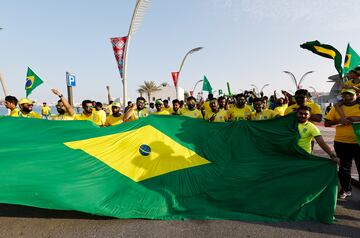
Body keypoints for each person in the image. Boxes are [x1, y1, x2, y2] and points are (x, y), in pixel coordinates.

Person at [325, 88, 360, 199]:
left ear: (356, 95)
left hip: (358, 142)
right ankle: (345, 189)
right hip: (341, 142)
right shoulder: (337, 108)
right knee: (344, 168)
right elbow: (327, 123)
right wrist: (339, 121)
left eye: (350, 95)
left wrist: (356, 118)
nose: (347, 97)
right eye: (345, 95)